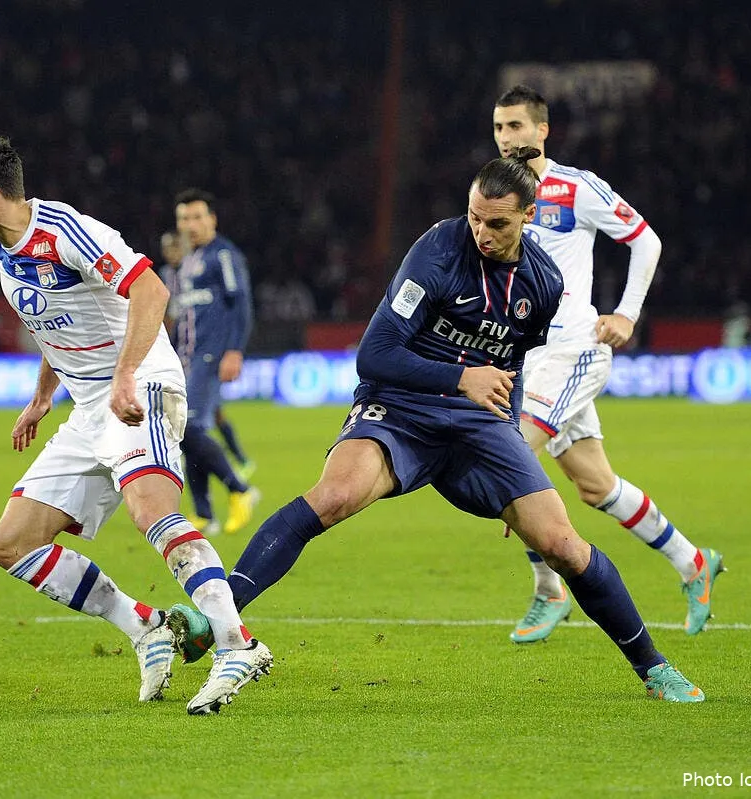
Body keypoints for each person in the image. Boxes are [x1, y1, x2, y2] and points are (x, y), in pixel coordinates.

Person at [171, 150, 705, 702]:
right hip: (401, 406)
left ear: (528, 214)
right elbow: (373, 355)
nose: (482, 232)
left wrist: (517, 458)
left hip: (479, 426)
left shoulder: (544, 284)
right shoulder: (437, 250)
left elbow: (510, 370)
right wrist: (460, 378)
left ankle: (653, 667)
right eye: (475, 216)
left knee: (563, 544)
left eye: (497, 222)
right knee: (335, 495)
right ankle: (219, 615)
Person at [0, 133, 271, 714]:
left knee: (151, 510)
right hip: (88, 405)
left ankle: (236, 645)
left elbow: (151, 289)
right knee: (12, 544)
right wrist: (43, 396)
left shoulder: (67, 232)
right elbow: (52, 323)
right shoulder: (5, 247)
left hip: (140, 385)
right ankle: (147, 628)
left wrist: (124, 375)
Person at [491, 85, 724, 642]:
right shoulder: (497, 197)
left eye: (516, 127)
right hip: (527, 358)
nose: (506, 138)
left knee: (507, 458)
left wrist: (626, 313)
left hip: (575, 349)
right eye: (499, 128)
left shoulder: (576, 188)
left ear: (542, 130)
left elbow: (646, 240)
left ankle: (550, 589)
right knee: (596, 487)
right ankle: (694, 562)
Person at [170, 189, 260, 534]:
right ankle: (205, 514)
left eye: (196, 217)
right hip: (188, 359)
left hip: (212, 355)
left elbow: (242, 304)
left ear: (212, 220)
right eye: (183, 219)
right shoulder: (188, 261)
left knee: (188, 427)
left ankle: (241, 489)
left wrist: (234, 350)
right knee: (190, 433)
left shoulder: (223, 255)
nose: (190, 225)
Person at [159, 230, 256, 489]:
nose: (172, 253)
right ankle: (206, 511)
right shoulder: (167, 277)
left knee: (193, 423)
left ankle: (239, 480)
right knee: (190, 423)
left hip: (206, 354)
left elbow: (237, 301)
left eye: (176, 247)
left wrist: (231, 349)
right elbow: (169, 317)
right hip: (182, 356)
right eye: (168, 249)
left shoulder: (205, 267)